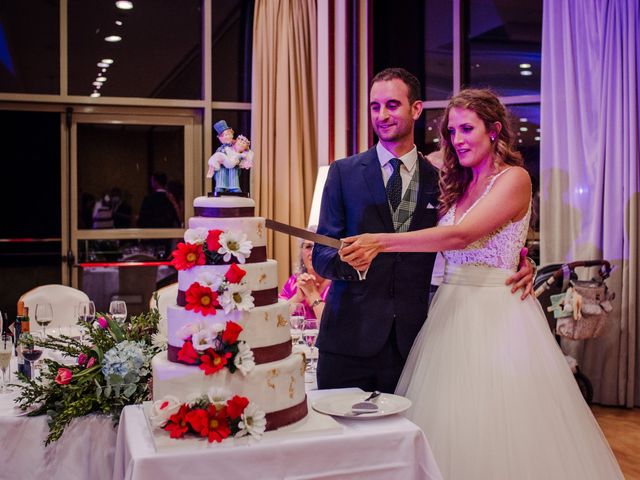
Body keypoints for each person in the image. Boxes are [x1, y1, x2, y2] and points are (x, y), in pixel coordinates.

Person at [340, 88, 623, 479]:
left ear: (493, 130)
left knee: (500, 424)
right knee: (448, 420)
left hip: (497, 314)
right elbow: (405, 161)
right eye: (451, 132)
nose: (458, 140)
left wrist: (380, 242)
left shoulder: (515, 178)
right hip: (448, 312)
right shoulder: (454, 181)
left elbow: (462, 235)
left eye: (467, 129)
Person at [311, 68, 533, 393]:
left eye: (392, 105)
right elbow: (321, 254)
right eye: (375, 106)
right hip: (349, 338)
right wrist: (348, 261)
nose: (382, 115)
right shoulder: (343, 173)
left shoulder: (441, 179)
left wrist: (517, 261)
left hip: (414, 342)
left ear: (415, 110)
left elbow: (466, 233)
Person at [279, 228, 331, 328]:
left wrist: (312, 294)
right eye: (308, 247)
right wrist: (297, 297)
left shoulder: (338, 284)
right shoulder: (293, 282)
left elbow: (332, 324)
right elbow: (277, 319)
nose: (313, 253)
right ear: (301, 252)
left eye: (319, 246)